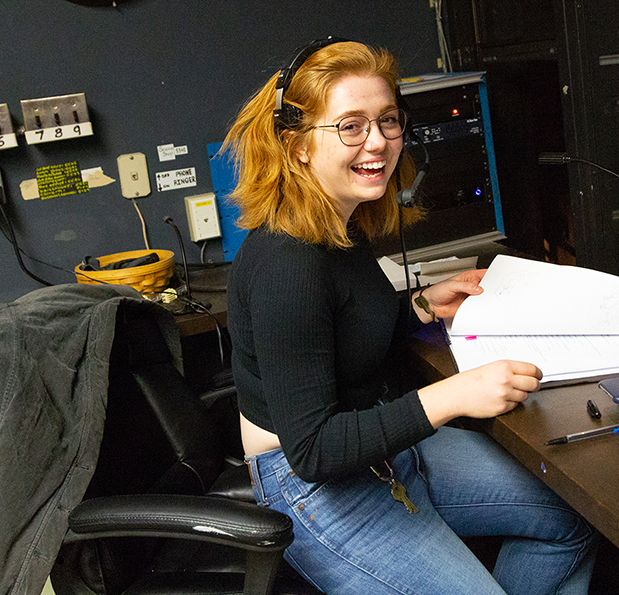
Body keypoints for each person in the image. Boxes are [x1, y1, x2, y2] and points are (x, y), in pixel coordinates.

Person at [223, 39, 596, 595]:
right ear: (296, 145)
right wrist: (456, 396)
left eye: (387, 121)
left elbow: (338, 325)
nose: (377, 142)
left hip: (384, 447)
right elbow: (312, 452)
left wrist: (420, 305)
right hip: (317, 486)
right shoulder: (287, 264)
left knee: (571, 520)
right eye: (350, 126)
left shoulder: (336, 221)